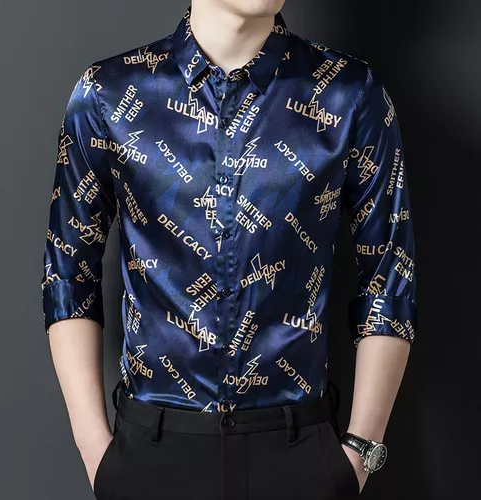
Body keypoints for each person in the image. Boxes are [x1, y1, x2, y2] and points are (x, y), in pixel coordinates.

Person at [40, 1, 417, 499]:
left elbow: (390, 280)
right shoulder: (109, 93)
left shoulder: (350, 93)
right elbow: (68, 276)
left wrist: (359, 452)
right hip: (153, 454)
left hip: (300, 455)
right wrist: (97, 452)